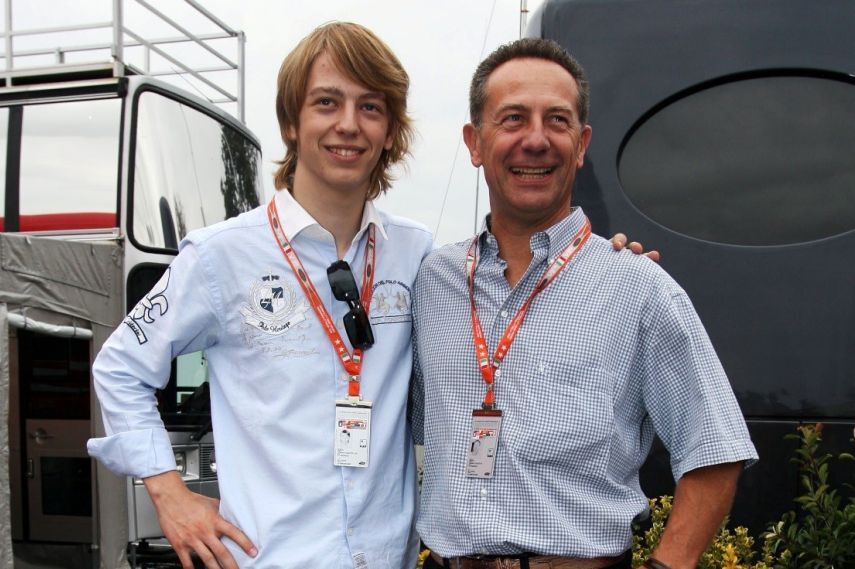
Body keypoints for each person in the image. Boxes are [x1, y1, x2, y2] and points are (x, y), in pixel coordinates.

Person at [88, 22, 433, 569]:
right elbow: (120, 368)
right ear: (291, 123)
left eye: (370, 107)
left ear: (391, 131)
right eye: (326, 102)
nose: (348, 124)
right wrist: (169, 494)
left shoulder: (416, 253)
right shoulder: (220, 255)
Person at [410, 38, 758, 569]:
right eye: (512, 119)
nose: (535, 140)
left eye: (557, 120)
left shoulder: (638, 288)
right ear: (474, 142)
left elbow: (715, 448)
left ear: (581, 144)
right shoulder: (433, 283)